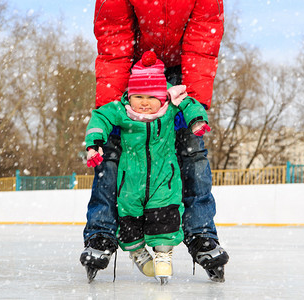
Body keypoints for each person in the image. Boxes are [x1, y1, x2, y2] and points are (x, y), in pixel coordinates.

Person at [80, 0, 229, 282]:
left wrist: (192, 103)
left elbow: (202, 39)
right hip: (133, 71)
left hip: (181, 71)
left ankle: (201, 233)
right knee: (110, 152)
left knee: (192, 152)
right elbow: (115, 34)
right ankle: (101, 231)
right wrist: (111, 107)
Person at [85, 51, 211, 284]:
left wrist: (196, 120)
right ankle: (138, 253)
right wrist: (94, 142)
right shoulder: (122, 111)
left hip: (164, 179)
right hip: (130, 182)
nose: (144, 103)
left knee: (165, 216)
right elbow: (100, 116)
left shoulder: (169, 109)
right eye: (138, 96)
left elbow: (189, 102)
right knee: (128, 220)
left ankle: (164, 254)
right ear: (129, 96)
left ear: (162, 97)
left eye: (152, 97)